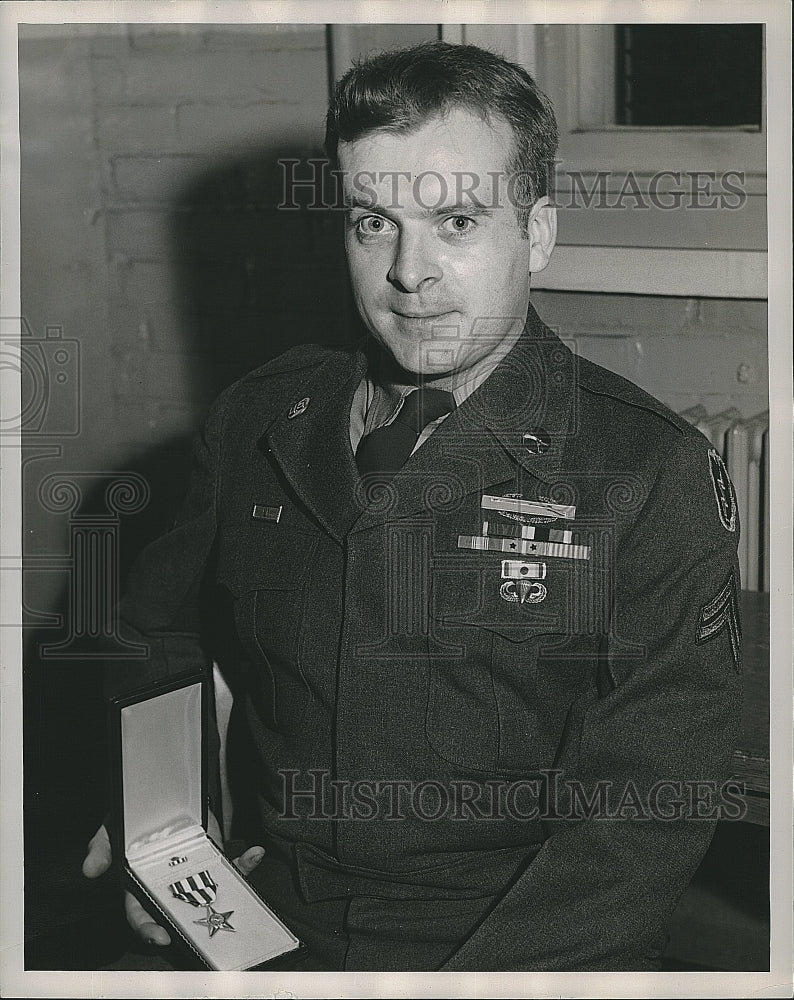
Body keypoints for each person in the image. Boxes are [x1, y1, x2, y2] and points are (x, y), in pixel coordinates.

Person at [82, 40, 742, 971]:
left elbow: (639, 818)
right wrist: (161, 831)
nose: (409, 272)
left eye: (460, 221)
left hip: (515, 947)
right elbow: (155, 628)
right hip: (272, 925)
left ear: (539, 233)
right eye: (372, 224)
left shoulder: (645, 471)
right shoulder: (261, 421)